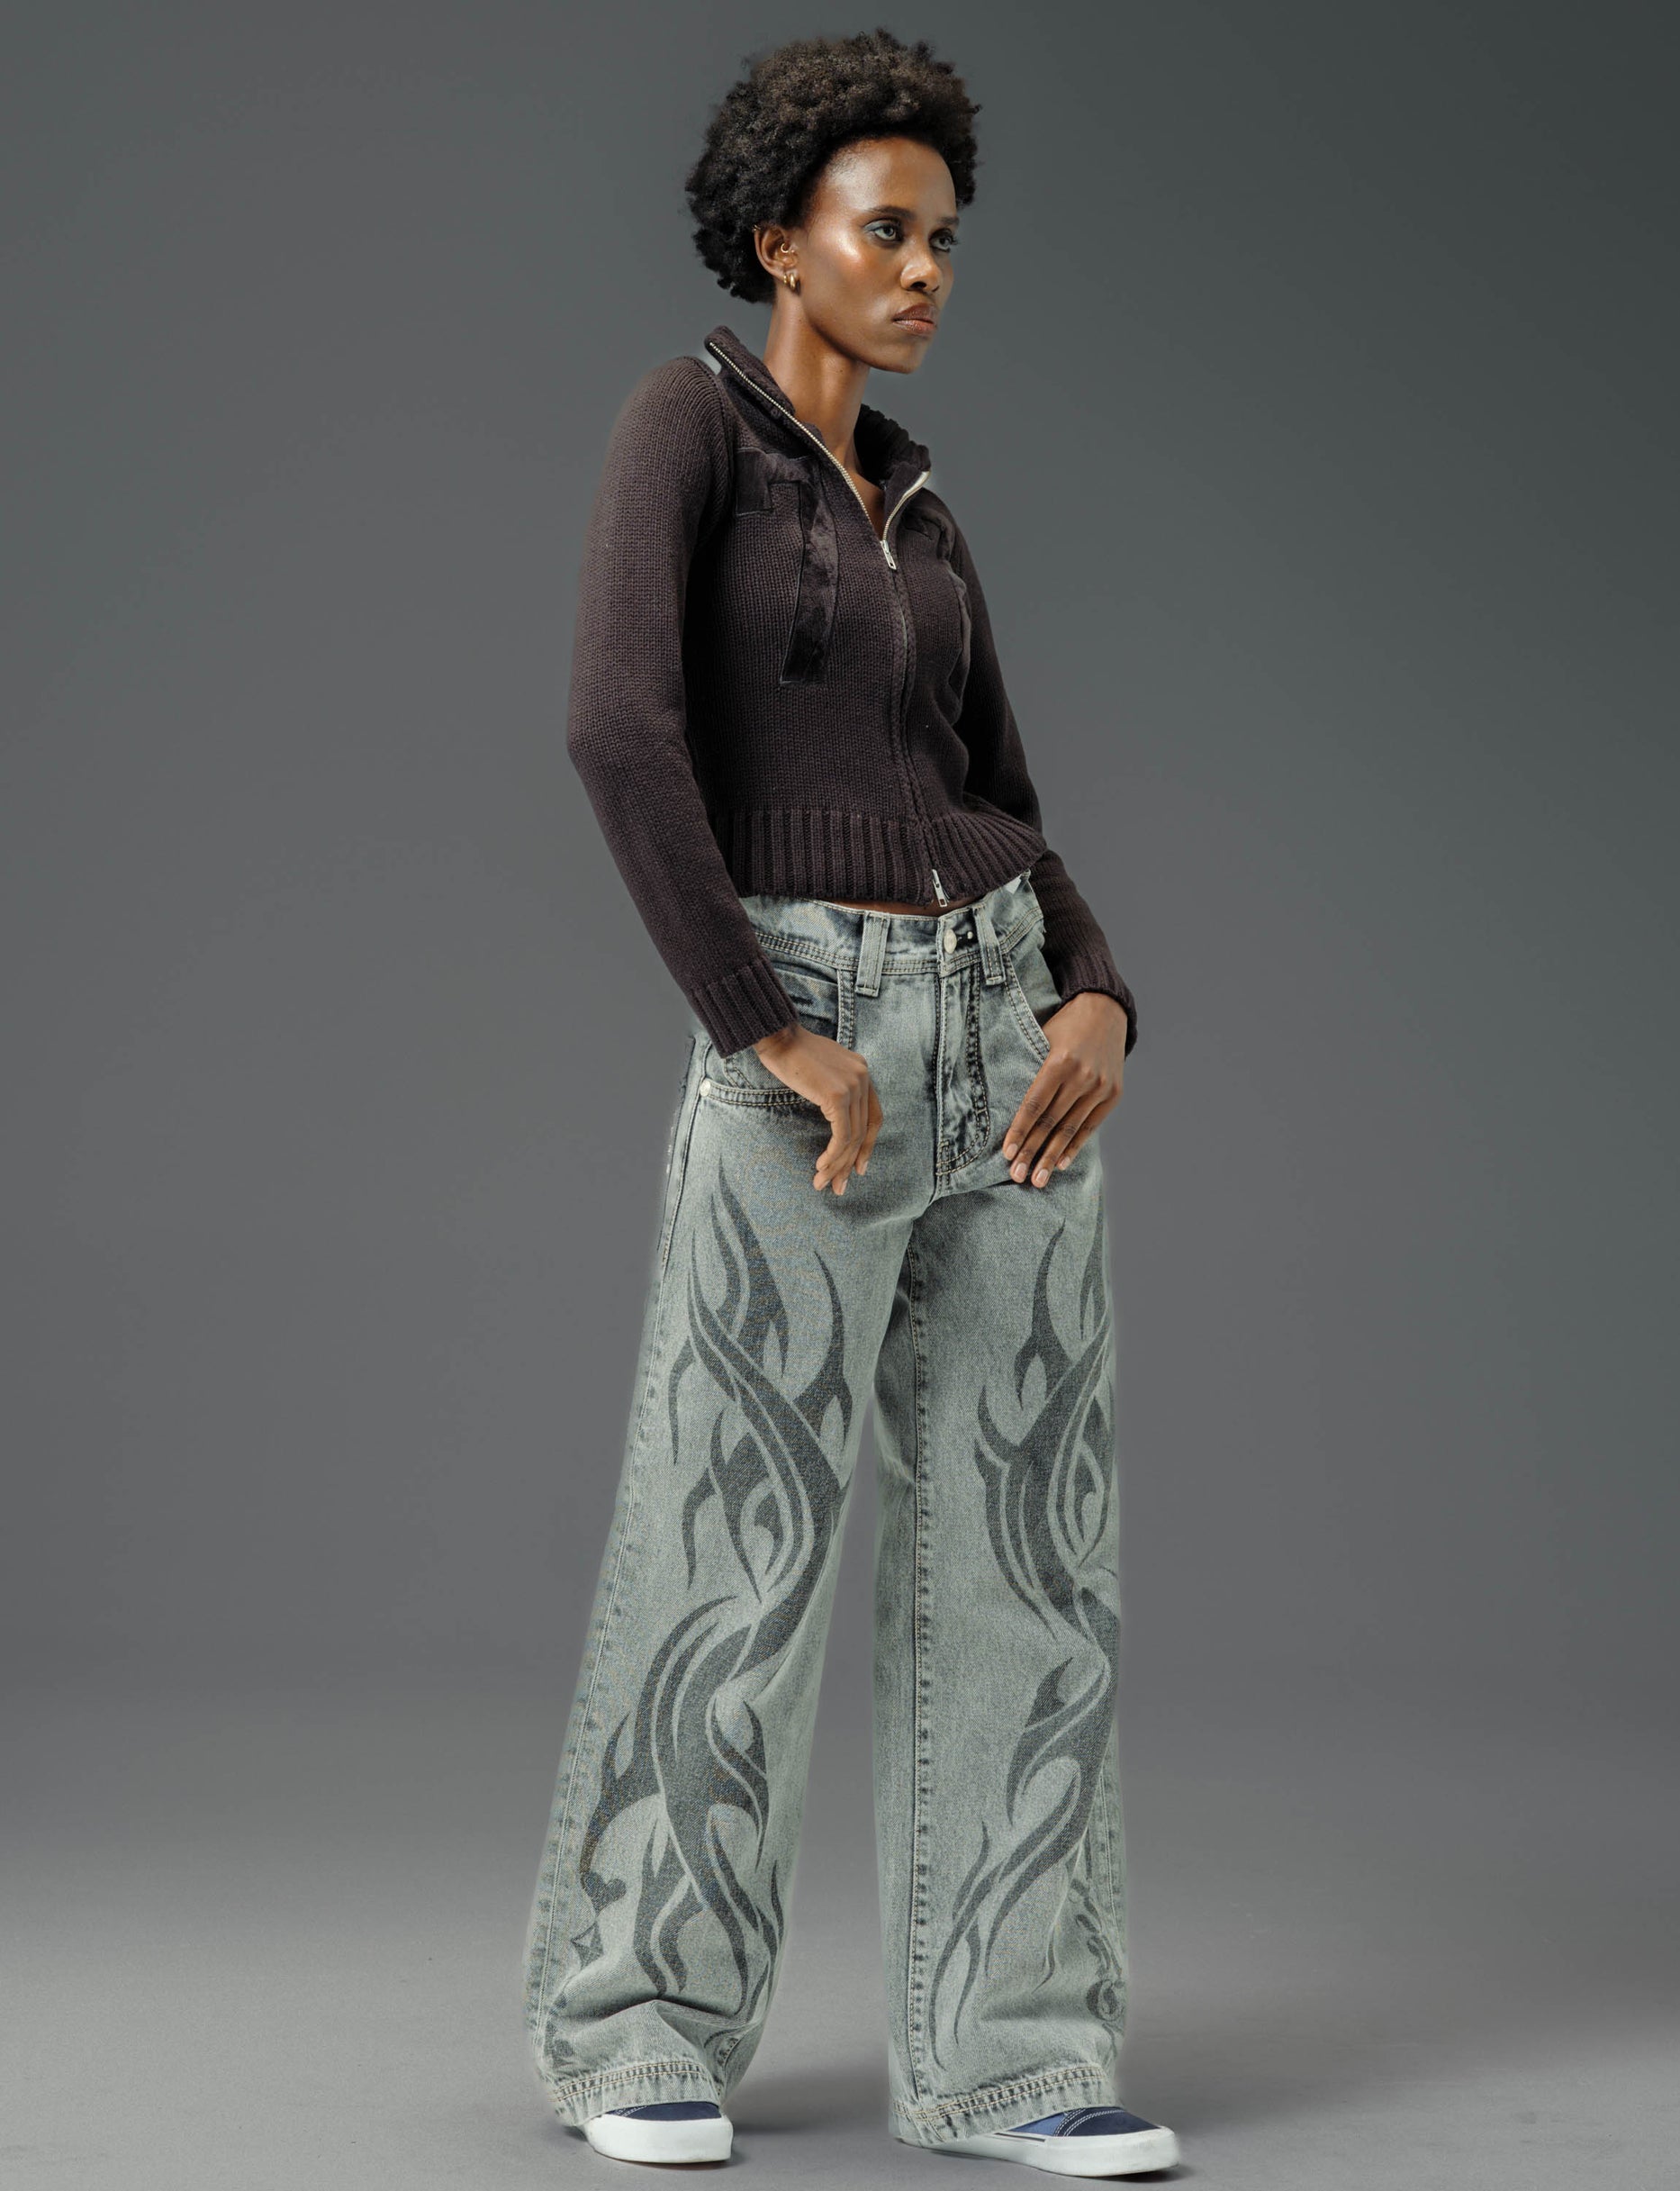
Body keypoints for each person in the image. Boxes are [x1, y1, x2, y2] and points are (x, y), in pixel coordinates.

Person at [519, 28, 1177, 2178]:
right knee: (735, 1534)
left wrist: (1103, 991)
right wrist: (755, 1019)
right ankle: (635, 2021)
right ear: (775, 236)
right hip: (813, 1047)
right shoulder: (684, 427)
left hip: (1011, 1046)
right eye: (885, 230)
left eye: (945, 239)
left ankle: (1018, 2048)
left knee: (1028, 1553)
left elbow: (1003, 797)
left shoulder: (926, 502)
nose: (923, 272)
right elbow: (620, 730)